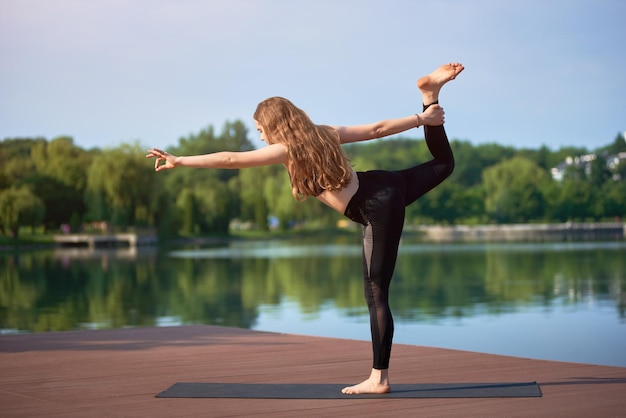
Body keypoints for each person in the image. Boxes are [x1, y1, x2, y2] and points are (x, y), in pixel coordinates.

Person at [146, 62, 464, 394]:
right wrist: (422, 118)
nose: (259, 135)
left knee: (376, 295)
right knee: (444, 164)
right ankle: (430, 95)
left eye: (259, 129)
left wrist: (181, 160)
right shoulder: (325, 132)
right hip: (386, 183)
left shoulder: (285, 151)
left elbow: (230, 160)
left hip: (376, 208)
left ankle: (379, 378)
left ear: (273, 125)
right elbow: (376, 130)